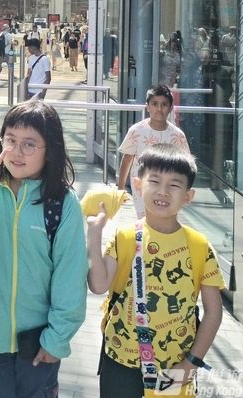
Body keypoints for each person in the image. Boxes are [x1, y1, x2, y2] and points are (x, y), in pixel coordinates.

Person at [0, 100, 87, 397]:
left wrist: (57, 338)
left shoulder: (62, 204)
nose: (17, 152)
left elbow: (70, 276)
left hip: (39, 343)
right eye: (11, 141)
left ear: (50, 150)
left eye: (29, 144)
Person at [88, 149, 224, 398]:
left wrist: (191, 363)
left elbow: (214, 312)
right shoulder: (125, 237)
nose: (163, 191)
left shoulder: (199, 246)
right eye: (155, 181)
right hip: (120, 360)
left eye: (174, 185)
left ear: (188, 196)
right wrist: (94, 236)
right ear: (138, 186)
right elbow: (98, 285)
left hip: (175, 365)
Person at [117, 85, 192, 216]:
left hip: (169, 188)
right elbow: (127, 158)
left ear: (170, 108)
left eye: (164, 104)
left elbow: (187, 165)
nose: (159, 109)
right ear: (147, 106)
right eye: (155, 104)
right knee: (143, 218)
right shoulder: (136, 130)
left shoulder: (177, 135)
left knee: (164, 218)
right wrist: (120, 188)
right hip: (142, 185)